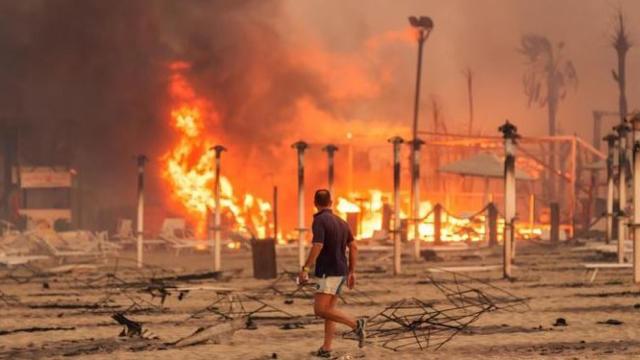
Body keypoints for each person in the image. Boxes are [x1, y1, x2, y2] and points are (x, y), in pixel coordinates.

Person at [298, 189, 366, 358]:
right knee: (330, 310)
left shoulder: (319, 220)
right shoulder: (342, 222)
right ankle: (326, 348)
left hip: (328, 272)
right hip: (341, 271)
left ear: (315, 203)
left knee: (320, 310)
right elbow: (354, 247)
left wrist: (305, 268)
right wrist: (351, 271)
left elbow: (318, 245)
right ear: (331, 202)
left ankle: (356, 324)